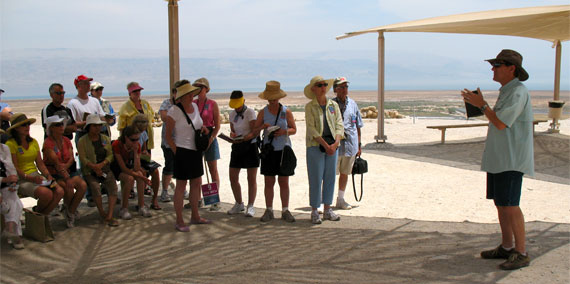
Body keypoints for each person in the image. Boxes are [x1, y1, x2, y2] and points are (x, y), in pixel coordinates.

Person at [461, 49, 534, 270]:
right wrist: (480, 104)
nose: (493, 68)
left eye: (497, 65)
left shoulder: (518, 92)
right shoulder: (508, 91)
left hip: (511, 159)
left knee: (511, 205)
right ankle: (507, 246)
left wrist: (482, 105)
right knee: (501, 203)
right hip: (500, 159)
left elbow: (501, 122)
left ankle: (521, 251)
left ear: (512, 69)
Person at [165, 81, 211, 232]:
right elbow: (168, 136)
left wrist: (203, 129)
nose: (193, 96)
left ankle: (195, 215)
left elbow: (197, 124)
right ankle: (179, 220)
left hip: (195, 150)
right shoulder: (174, 111)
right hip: (182, 151)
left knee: (196, 182)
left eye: (193, 93)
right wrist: (176, 151)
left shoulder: (196, 107)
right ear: (183, 96)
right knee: (181, 186)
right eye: (190, 94)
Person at [253, 81, 297, 223]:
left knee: (284, 181)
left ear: (279, 98)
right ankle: (269, 210)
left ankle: (285, 210)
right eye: (270, 99)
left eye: (274, 99)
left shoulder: (286, 111)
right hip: (269, 151)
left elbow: (294, 129)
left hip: (283, 150)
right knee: (269, 181)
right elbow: (254, 130)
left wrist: (283, 132)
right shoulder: (262, 112)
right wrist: (263, 127)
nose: (272, 102)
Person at [304, 76, 344, 224]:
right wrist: (326, 145)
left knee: (330, 178)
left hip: (332, 146)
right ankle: (315, 210)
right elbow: (311, 129)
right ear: (313, 89)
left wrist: (335, 143)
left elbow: (339, 124)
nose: (322, 87)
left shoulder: (333, 105)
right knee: (315, 178)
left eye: (324, 85)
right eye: (319, 85)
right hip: (316, 147)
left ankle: (328, 209)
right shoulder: (310, 107)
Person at [6, 113, 64, 215]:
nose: (27, 127)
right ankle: (41, 217)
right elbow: (14, 167)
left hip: (36, 176)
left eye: (28, 124)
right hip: (21, 179)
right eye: (23, 125)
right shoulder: (10, 144)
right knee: (46, 194)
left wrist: (48, 176)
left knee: (59, 191)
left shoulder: (33, 142)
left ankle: (39, 215)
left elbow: (40, 163)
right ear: (16, 129)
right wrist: (31, 179)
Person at [42, 116, 87, 228]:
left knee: (82, 185)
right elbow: (56, 162)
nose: (61, 127)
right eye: (58, 125)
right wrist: (66, 176)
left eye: (62, 124)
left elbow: (71, 157)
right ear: (51, 128)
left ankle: (70, 211)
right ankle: (68, 210)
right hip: (54, 174)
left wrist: (66, 168)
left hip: (68, 170)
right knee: (68, 187)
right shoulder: (48, 144)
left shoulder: (66, 140)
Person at [77, 114, 119, 226]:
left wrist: (102, 164)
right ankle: (102, 212)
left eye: (99, 126)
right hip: (90, 170)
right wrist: (94, 167)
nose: (97, 128)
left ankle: (109, 214)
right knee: (95, 187)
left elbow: (110, 155)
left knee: (112, 186)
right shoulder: (82, 141)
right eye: (94, 126)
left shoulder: (105, 139)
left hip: (104, 167)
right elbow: (83, 158)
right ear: (89, 127)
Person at [226, 90, 259, 217]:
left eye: (238, 104)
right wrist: (232, 136)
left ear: (243, 101)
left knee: (251, 178)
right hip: (237, 146)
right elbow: (233, 130)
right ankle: (239, 203)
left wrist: (246, 137)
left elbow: (255, 130)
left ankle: (250, 206)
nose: (237, 107)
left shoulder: (250, 112)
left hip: (250, 146)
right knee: (233, 177)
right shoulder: (231, 114)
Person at [332, 77, 363, 210]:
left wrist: (359, 145)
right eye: (342, 87)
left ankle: (340, 199)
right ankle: (323, 201)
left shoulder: (353, 104)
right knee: (329, 173)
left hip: (350, 145)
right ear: (335, 90)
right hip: (335, 145)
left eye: (346, 87)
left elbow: (358, 126)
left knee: (345, 173)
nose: (345, 90)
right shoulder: (330, 105)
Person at [158, 80, 190, 203]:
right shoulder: (167, 103)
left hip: (182, 141)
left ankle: (182, 189)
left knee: (182, 166)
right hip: (168, 142)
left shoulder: (185, 104)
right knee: (169, 166)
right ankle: (165, 191)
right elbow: (164, 117)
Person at [192, 78, 221, 211]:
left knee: (212, 169)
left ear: (206, 89)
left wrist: (211, 138)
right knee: (196, 170)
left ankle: (214, 200)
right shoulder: (192, 103)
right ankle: (198, 199)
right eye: (196, 87)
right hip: (196, 137)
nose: (198, 90)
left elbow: (217, 125)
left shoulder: (212, 104)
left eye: (200, 87)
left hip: (210, 136)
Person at [112, 125, 152, 219]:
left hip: (128, 165)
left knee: (140, 174)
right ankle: (124, 208)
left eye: (137, 139)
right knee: (129, 179)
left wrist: (135, 153)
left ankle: (141, 205)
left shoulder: (136, 145)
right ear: (126, 137)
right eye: (133, 140)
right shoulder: (117, 145)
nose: (136, 142)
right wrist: (143, 177)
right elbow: (122, 168)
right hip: (116, 167)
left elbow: (137, 167)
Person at [66, 75, 109, 143]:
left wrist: (108, 119)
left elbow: (102, 116)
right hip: (83, 134)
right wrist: (87, 123)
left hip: (97, 133)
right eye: (85, 83)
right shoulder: (72, 103)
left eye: (89, 83)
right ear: (78, 86)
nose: (88, 85)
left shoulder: (94, 101)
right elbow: (71, 123)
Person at [0, 129, 24, 249]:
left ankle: (10, 229)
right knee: (17, 204)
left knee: (13, 198)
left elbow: (10, 167)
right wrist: (5, 180)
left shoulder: (4, 148)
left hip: (5, 185)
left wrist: (13, 181)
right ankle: (14, 232)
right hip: (2, 182)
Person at [132, 114, 161, 210]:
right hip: (132, 159)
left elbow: (144, 148)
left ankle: (154, 199)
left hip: (141, 158)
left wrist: (145, 153)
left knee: (156, 171)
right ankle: (141, 202)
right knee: (142, 173)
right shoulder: (130, 133)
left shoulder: (144, 133)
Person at [117, 82, 155, 150]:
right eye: (134, 91)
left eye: (139, 90)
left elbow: (151, 116)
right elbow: (121, 127)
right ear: (130, 93)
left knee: (146, 157)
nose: (137, 93)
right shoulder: (125, 107)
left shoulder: (145, 103)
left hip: (147, 137)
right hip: (133, 139)